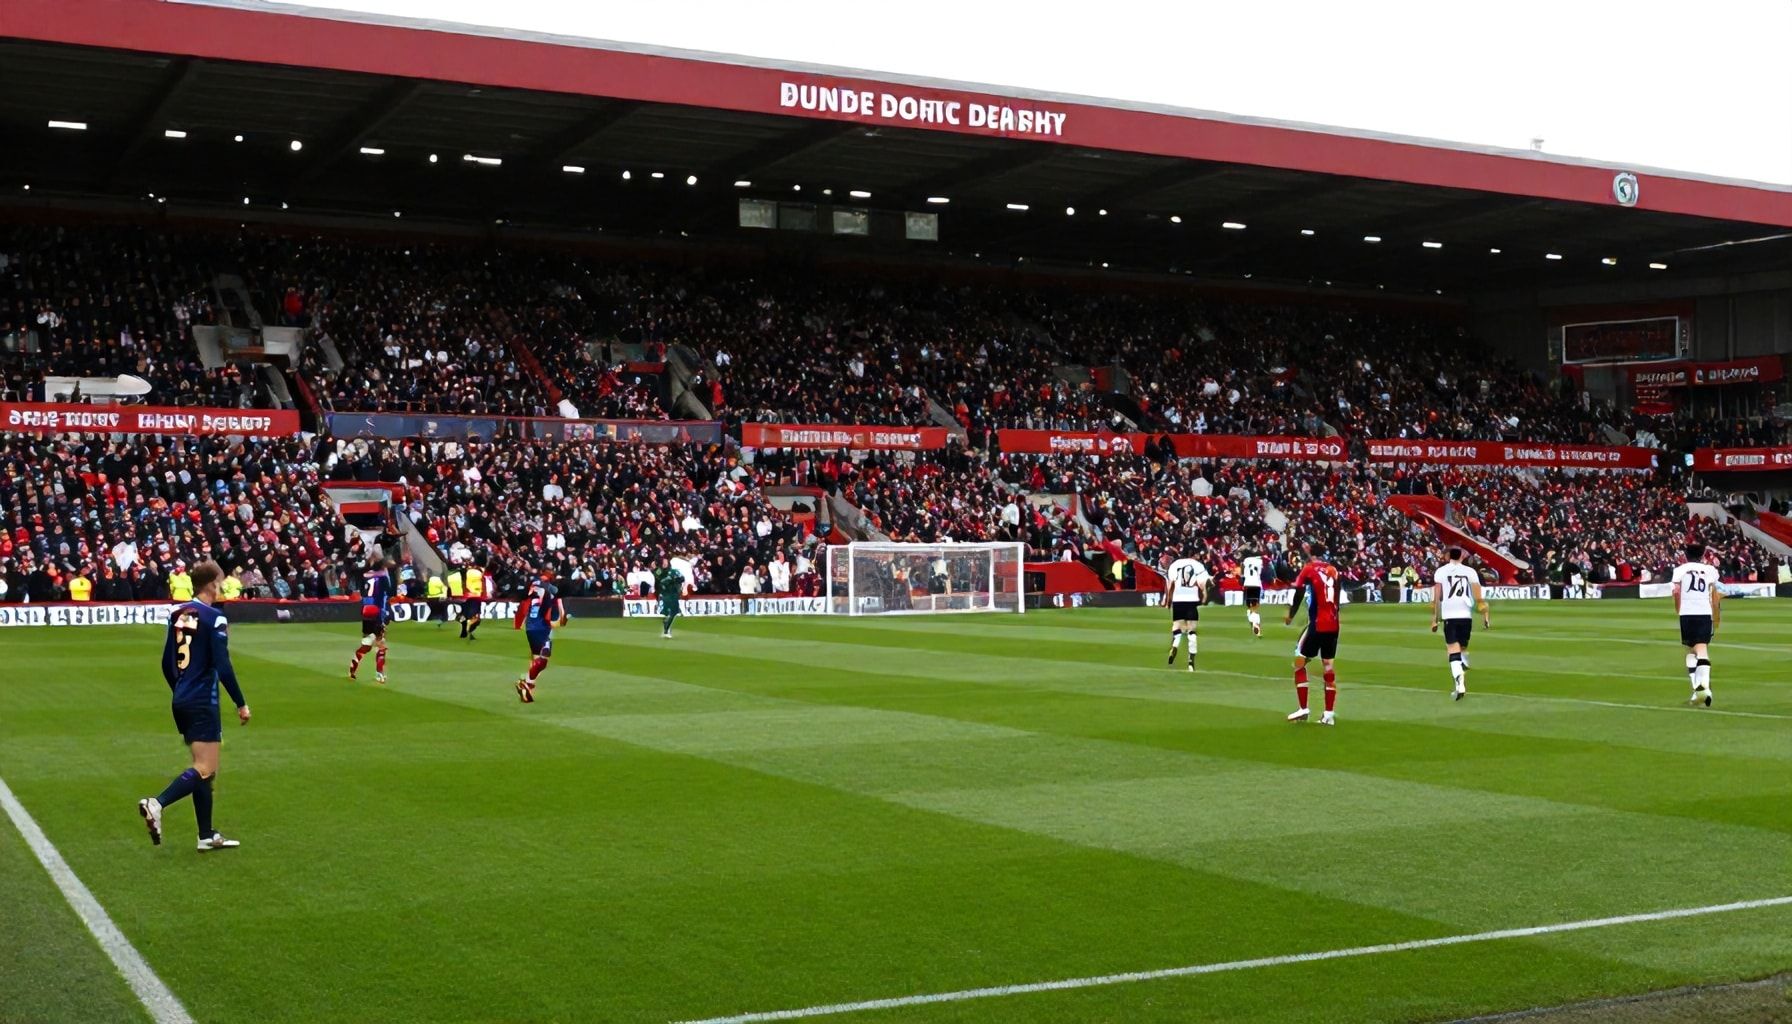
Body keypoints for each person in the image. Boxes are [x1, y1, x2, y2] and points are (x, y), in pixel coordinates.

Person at [137, 561, 250, 852]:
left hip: (182, 698)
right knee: (205, 766)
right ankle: (157, 803)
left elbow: (166, 662)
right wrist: (240, 702)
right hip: (202, 699)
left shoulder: (178, 613)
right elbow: (223, 665)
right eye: (221, 580)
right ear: (212, 583)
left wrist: (181, 689)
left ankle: (206, 835)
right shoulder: (215, 618)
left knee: (204, 770)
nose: (223, 584)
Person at [1284, 548, 1341, 725]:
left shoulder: (1309, 569)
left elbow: (1299, 590)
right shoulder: (1333, 570)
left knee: (1299, 662)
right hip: (1334, 624)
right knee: (1328, 668)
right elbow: (1337, 599)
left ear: (1311, 555)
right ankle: (1329, 714)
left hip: (1317, 624)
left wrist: (1291, 614)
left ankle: (1303, 709)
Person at [1430, 547, 1490, 701]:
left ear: (1448, 556)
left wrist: (1435, 619)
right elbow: (1479, 597)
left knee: (1452, 650)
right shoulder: (1470, 572)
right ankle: (1463, 661)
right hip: (1466, 616)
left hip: (1450, 615)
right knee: (1462, 647)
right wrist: (1484, 612)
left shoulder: (1441, 572)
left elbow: (1436, 598)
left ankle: (1459, 683)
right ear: (1462, 557)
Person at [1671, 541, 1721, 707]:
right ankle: (1699, 690)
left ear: (1686, 555)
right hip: (1704, 612)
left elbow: (1676, 591)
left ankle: (1702, 688)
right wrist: (1716, 613)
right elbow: (1714, 593)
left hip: (1687, 613)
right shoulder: (1710, 570)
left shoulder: (1679, 570)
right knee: (1699, 650)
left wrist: (1678, 607)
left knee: (1692, 650)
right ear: (1702, 555)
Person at [512, 571, 567, 704]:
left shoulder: (533, 591)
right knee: (543, 660)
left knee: (537, 662)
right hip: (541, 628)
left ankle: (527, 688)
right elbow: (558, 621)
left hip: (530, 628)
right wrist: (560, 607)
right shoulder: (548, 593)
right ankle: (525, 683)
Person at [349, 557, 395, 684]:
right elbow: (385, 597)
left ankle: (352, 669)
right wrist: (384, 619)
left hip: (366, 611)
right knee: (381, 645)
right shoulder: (383, 578)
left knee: (366, 646)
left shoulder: (366, 575)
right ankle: (380, 674)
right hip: (376, 612)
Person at [1162, 553, 1210, 671]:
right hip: (1192, 600)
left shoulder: (1175, 565)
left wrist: (1168, 602)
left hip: (1178, 600)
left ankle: (1174, 645)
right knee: (1192, 631)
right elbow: (1202, 584)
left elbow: (1171, 585)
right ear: (1193, 555)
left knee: (1177, 627)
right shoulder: (1197, 565)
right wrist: (1204, 597)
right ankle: (1191, 662)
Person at [654, 557, 686, 639]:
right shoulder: (659, 571)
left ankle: (666, 624)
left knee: (674, 612)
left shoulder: (674, 571)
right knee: (669, 611)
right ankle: (666, 629)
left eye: (666, 561)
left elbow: (682, 578)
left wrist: (675, 579)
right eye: (663, 562)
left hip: (674, 593)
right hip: (665, 594)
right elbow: (658, 581)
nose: (664, 563)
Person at [1239, 550, 1265, 637]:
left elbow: (1242, 572)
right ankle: (1255, 622)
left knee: (1249, 603)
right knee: (1255, 604)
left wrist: (1242, 579)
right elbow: (1260, 573)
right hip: (1256, 583)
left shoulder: (1246, 560)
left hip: (1247, 583)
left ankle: (1251, 616)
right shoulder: (1260, 561)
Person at [460, 562, 488, 640]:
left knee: (465, 615)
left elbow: (464, 584)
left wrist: (464, 592)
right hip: (476, 597)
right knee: (475, 618)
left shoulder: (467, 572)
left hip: (467, 596)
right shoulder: (480, 573)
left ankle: (464, 630)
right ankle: (469, 631)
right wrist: (484, 595)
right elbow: (483, 584)